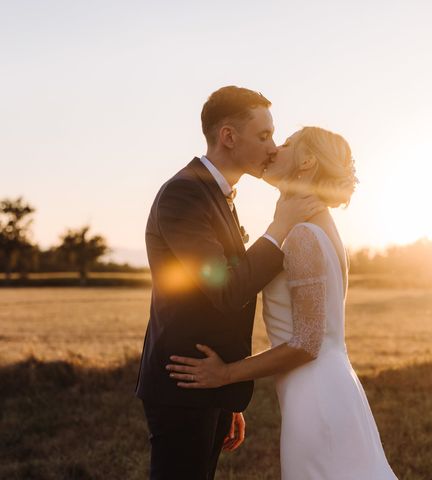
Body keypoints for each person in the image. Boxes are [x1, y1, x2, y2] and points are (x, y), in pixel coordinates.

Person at [167, 127, 398, 479]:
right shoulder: (314, 225)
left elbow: (306, 344)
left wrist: (226, 375)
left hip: (316, 395)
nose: (274, 149)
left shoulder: (304, 235)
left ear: (306, 162)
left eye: (287, 143)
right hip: (332, 387)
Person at [136, 86, 324, 480]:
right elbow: (227, 289)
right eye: (263, 136)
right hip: (183, 382)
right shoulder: (183, 195)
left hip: (210, 383)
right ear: (228, 137)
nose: (273, 147)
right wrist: (279, 227)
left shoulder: (217, 195)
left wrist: (227, 397)